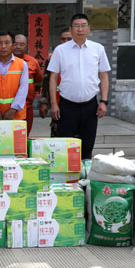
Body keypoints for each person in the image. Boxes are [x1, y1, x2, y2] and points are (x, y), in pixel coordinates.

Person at [47, 14, 111, 160]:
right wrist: (53, 103)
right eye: (76, 26)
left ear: (89, 29)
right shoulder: (60, 50)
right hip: (67, 106)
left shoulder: (98, 49)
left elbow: (104, 76)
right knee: (65, 146)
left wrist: (103, 101)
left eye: (83, 26)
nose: (80, 29)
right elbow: (53, 78)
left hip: (90, 106)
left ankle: (84, 172)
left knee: (87, 145)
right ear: (71, 29)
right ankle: (67, 174)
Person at [0, 31, 28, 120]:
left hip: (16, 114)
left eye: (7, 43)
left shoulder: (22, 64)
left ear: (13, 45)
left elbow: (23, 89)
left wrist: (13, 109)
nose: (3, 46)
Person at [40, 27, 73, 131]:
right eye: (63, 39)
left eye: (69, 39)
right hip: (57, 103)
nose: (65, 42)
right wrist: (44, 102)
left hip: (76, 102)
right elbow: (46, 81)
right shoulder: (51, 58)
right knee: (58, 132)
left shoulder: (81, 56)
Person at [12, 34, 44, 133]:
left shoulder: (33, 62)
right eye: (15, 44)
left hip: (27, 106)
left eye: (22, 44)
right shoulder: (4, 62)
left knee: (24, 135)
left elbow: (39, 81)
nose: (18, 47)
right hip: (9, 107)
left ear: (26, 46)